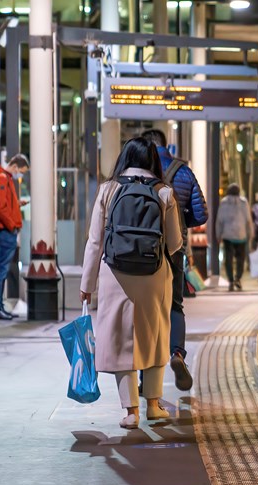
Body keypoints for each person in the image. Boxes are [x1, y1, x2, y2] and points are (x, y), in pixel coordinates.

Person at [80, 137, 185, 430]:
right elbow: (175, 243)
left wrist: (87, 283)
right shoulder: (164, 192)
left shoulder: (108, 189)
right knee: (154, 336)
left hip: (115, 274)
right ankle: (153, 405)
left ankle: (130, 411)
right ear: (153, 160)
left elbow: (95, 241)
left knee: (120, 339)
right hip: (154, 275)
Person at [141, 129, 207, 392]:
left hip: (143, 249)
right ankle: (177, 353)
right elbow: (201, 213)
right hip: (174, 246)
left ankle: (146, 378)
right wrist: (180, 224)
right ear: (166, 145)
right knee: (174, 305)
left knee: (147, 310)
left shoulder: (140, 170)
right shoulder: (183, 171)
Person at [0, 153, 29, 320]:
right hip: (6, 230)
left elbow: (4, 204)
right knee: (1, 270)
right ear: (16, 166)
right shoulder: (2, 179)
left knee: (2, 269)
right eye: (22, 171)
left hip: (6, 230)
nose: (22, 175)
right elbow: (0, 208)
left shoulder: (4, 178)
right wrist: (12, 226)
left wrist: (17, 205)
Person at [217, 184, 255, 291]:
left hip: (227, 235)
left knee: (228, 259)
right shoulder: (244, 202)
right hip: (241, 235)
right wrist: (250, 234)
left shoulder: (224, 202)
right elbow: (248, 220)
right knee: (240, 259)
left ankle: (230, 280)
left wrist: (218, 235)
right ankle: (238, 278)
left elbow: (219, 220)